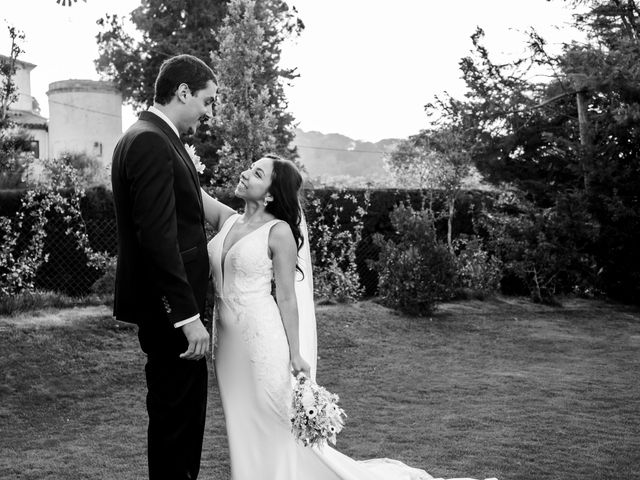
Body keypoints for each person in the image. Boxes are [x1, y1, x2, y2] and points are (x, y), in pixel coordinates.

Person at [202, 154, 496, 480]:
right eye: (250, 168)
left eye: (256, 173)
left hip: (261, 342)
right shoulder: (227, 220)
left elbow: (286, 297)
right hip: (226, 346)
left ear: (270, 193)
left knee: (276, 421)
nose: (244, 174)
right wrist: (178, 150)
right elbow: (189, 187)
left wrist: (297, 354)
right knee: (240, 419)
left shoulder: (278, 232)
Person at [111, 54, 217, 480]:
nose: (207, 112)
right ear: (184, 92)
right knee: (178, 423)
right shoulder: (151, 141)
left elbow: (187, 213)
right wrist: (187, 316)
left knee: (180, 421)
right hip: (172, 315)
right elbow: (158, 238)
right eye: (207, 101)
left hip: (169, 311)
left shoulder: (149, 135)